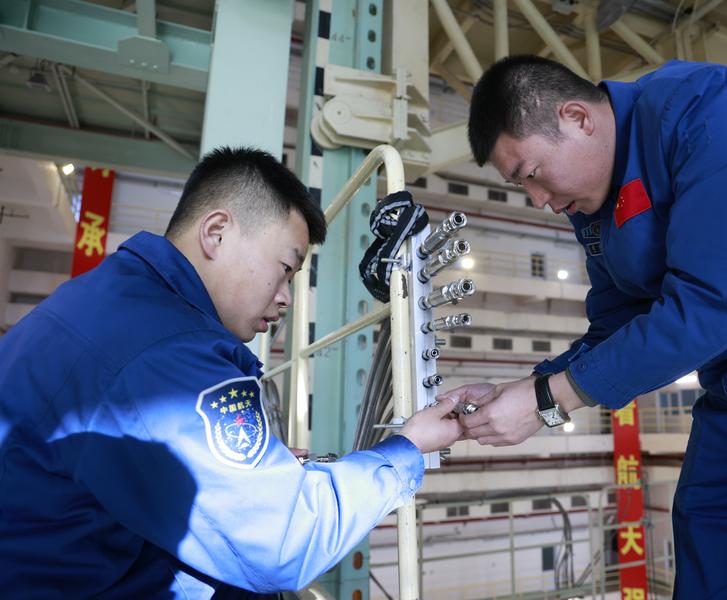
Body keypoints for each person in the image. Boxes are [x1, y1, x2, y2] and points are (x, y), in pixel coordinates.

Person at [444, 55, 727, 598]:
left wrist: (547, 401)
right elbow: (615, 326)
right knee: (711, 570)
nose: (538, 201)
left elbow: (706, 308)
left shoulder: (710, 107)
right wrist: (528, 386)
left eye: (531, 175)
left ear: (578, 118)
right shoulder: (592, 208)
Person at [0, 147, 462, 597]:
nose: (286, 298)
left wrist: (249, 472)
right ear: (216, 232)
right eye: (285, 268)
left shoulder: (112, 295)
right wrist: (407, 448)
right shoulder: (169, 352)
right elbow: (286, 541)